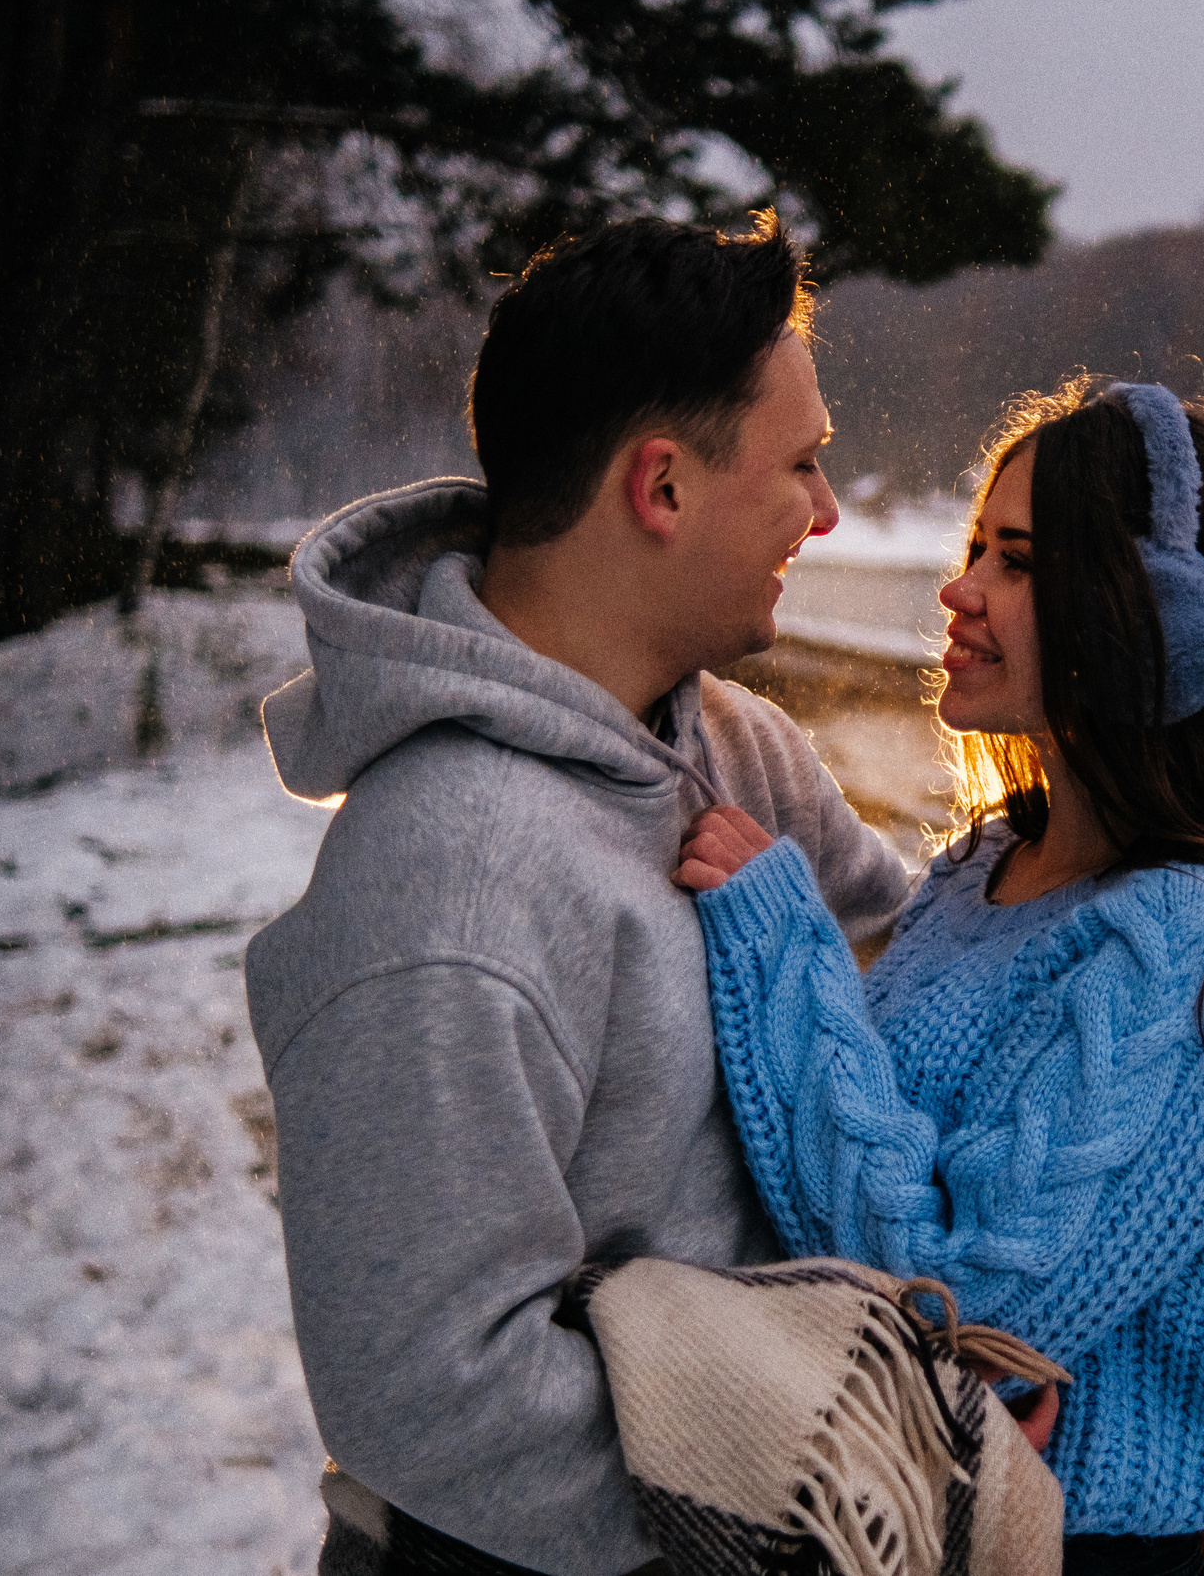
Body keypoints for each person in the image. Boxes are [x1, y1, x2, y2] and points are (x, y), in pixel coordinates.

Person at [674, 380, 1204, 1575]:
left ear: (1158, 623)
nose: (959, 592)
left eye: (1016, 562)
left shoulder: (1192, 946)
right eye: (973, 550)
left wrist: (781, 949)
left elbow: (970, 1305)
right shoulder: (986, 867)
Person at [244, 213, 915, 1576]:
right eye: (801, 464)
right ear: (661, 486)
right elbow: (435, 1396)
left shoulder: (732, 740)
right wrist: (813, 1492)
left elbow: (909, 966)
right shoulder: (445, 892)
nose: (829, 510)